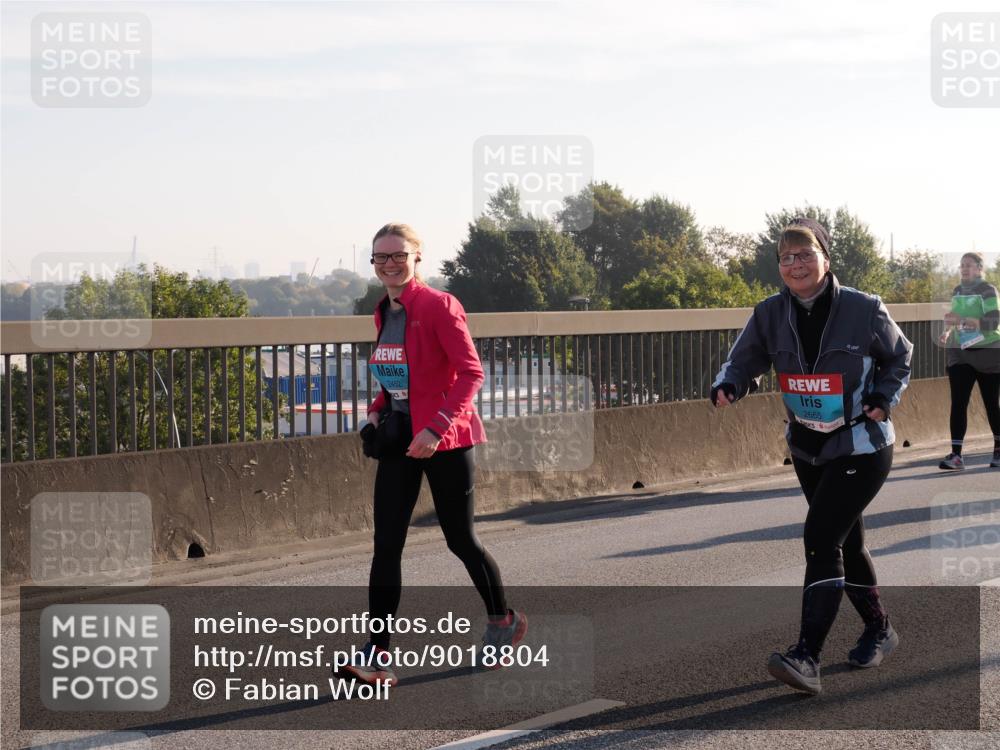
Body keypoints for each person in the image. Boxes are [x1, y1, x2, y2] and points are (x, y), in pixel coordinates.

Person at [710, 218, 912, 695]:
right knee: (847, 541)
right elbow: (745, 357)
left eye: (804, 254)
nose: (795, 265)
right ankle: (880, 630)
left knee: (821, 537)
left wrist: (883, 397)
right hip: (807, 444)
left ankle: (807, 656)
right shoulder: (769, 313)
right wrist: (729, 385)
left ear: (825, 258)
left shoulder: (864, 309)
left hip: (862, 443)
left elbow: (899, 357)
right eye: (785, 257)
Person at [335, 223, 526, 686]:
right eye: (380, 258)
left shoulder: (440, 306)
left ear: (417, 257)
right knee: (386, 546)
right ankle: (377, 654)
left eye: (398, 255)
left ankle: (504, 622)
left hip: (446, 439)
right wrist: (376, 412)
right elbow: (395, 377)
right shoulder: (384, 312)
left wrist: (436, 428)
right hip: (401, 439)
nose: (389, 264)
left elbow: (470, 373)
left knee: (460, 540)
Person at [938, 252, 1000, 470]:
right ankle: (956, 455)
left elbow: (993, 322)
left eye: (969, 265)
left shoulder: (988, 290)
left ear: (979, 269)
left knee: (992, 404)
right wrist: (947, 331)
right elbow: (954, 317)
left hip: (988, 352)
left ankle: (998, 449)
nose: (964, 269)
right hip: (961, 352)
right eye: (962, 265)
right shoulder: (957, 290)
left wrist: (962, 320)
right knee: (958, 402)